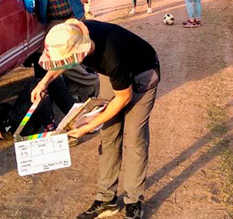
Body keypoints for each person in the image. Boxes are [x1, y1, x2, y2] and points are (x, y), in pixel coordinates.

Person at [31, 19, 161, 219]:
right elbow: (63, 59)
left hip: (143, 74)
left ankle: (134, 201)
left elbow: (123, 98)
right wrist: (44, 82)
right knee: (109, 134)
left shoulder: (112, 54)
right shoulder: (73, 34)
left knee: (135, 137)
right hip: (112, 76)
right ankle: (106, 199)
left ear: (80, 52)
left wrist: (86, 127)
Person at [11, 0, 100, 104]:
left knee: (80, 54)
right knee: (61, 57)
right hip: (53, 23)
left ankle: (83, 88)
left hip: (74, 17)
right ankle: (87, 83)